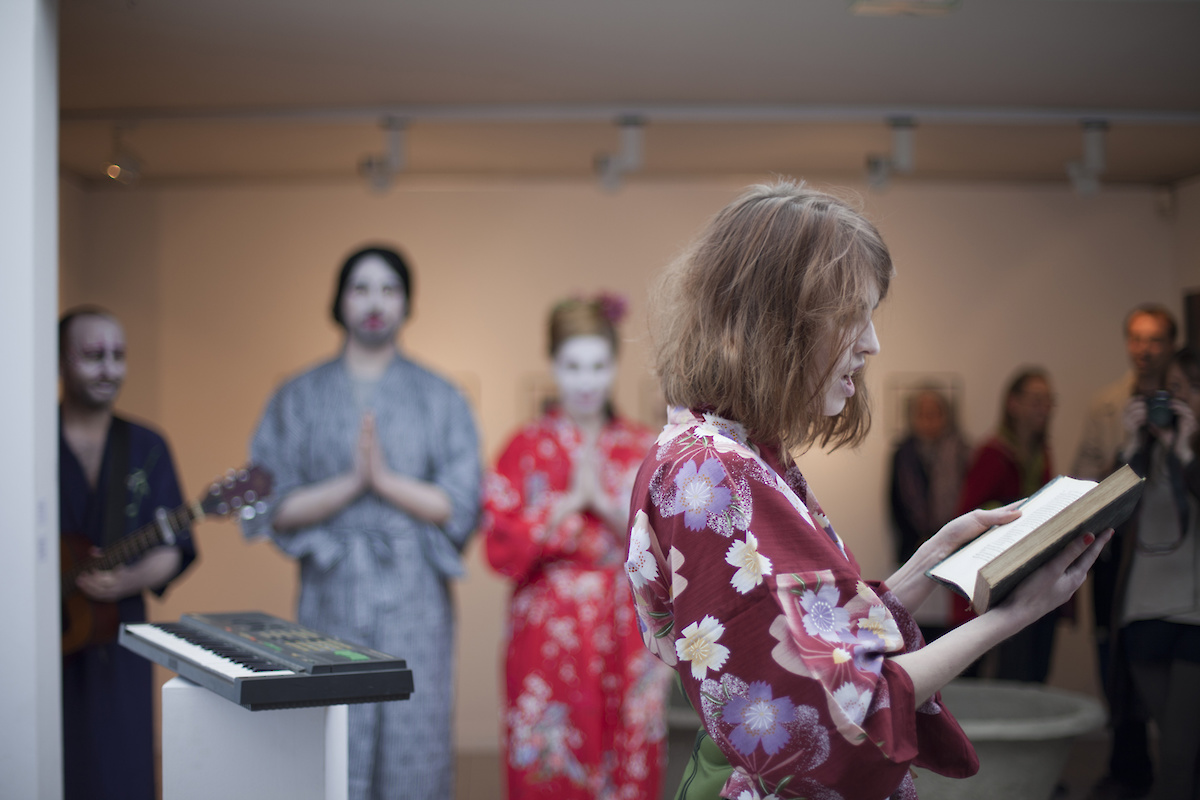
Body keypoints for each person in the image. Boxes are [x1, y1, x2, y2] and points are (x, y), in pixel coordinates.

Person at [624, 181, 1111, 800]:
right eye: (853, 317)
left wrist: (931, 563)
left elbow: (814, 640)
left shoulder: (723, 451)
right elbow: (833, 713)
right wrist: (1015, 614)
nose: (872, 343)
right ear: (777, 321)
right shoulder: (712, 473)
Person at [242, 245, 482, 800]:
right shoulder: (298, 395)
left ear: (406, 303)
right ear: (339, 300)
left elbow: (461, 501)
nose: (375, 302)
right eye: (361, 288)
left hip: (414, 589)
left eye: (389, 289)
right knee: (331, 742)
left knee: (413, 740)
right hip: (332, 589)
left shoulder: (440, 395)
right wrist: (350, 483)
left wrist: (384, 480)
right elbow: (269, 505)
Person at [483, 294, 672, 799]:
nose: (585, 380)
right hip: (546, 628)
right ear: (553, 364)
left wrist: (604, 507)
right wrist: (564, 507)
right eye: (572, 366)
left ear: (613, 365)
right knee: (549, 754)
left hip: (627, 628)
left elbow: (668, 548)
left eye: (597, 365)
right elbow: (498, 546)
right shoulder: (523, 447)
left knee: (629, 750)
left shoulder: (641, 447)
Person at [59, 307, 197, 800]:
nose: (109, 369)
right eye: (93, 355)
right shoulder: (27, 441)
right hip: (39, 648)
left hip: (119, 643)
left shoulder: (147, 445)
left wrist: (127, 580)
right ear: (61, 361)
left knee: (123, 771)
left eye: (118, 356)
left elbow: (174, 547)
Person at [1074, 304, 1176, 799]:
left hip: (1174, 559)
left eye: (1155, 339)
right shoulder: (1106, 405)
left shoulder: (1188, 401)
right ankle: (1127, 764)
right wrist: (1128, 444)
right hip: (1117, 553)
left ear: (1170, 345)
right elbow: (1085, 481)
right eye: (1136, 338)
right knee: (1113, 657)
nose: (1144, 349)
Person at [1110, 347, 1200, 800]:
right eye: (1169, 390)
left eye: (1183, 389)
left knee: (1180, 755)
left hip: (1194, 618)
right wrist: (1128, 446)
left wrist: (1185, 452)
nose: (1172, 399)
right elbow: (1106, 517)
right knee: (1175, 744)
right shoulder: (1142, 453)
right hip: (1142, 610)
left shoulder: (1186, 454)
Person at [956, 367, 1063, 682]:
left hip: (1033, 570)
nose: (1044, 408)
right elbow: (966, 513)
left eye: (1048, 401)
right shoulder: (993, 453)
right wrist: (1018, 510)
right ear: (1013, 404)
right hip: (1000, 577)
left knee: (1033, 668)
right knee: (1007, 670)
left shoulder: (1041, 453)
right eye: (1035, 400)